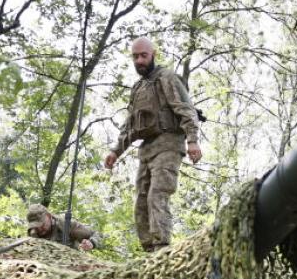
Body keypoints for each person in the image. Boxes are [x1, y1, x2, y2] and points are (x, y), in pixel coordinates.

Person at [103, 36, 202, 252]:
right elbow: (130, 124)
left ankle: (162, 249)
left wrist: (192, 141)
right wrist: (115, 151)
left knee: (157, 195)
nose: (139, 60)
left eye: (143, 55)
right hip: (147, 148)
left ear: (153, 55)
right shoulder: (138, 88)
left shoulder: (167, 78)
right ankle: (148, 252)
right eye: (135, 56)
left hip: (169, 143)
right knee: (140, 201)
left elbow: (186, 109)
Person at [26, 203, 97, 251]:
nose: (39, 229)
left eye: (42, 224)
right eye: (35, 226)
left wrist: (91, 243)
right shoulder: (33, 233)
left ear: (48, 216)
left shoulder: (67, 225)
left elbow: (96, 234)